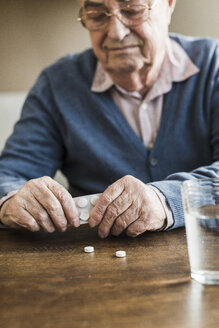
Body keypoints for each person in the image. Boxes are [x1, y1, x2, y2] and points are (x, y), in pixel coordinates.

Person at [0, 0, 218, 238]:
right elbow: (8, 175)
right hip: (97, 264)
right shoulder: (56, 85)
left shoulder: (213, 64)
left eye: (132, 11)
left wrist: (164, 200)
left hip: (205, 256)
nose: (116, 32)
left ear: (168, 5)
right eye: (97, 15)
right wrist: (12, 200)